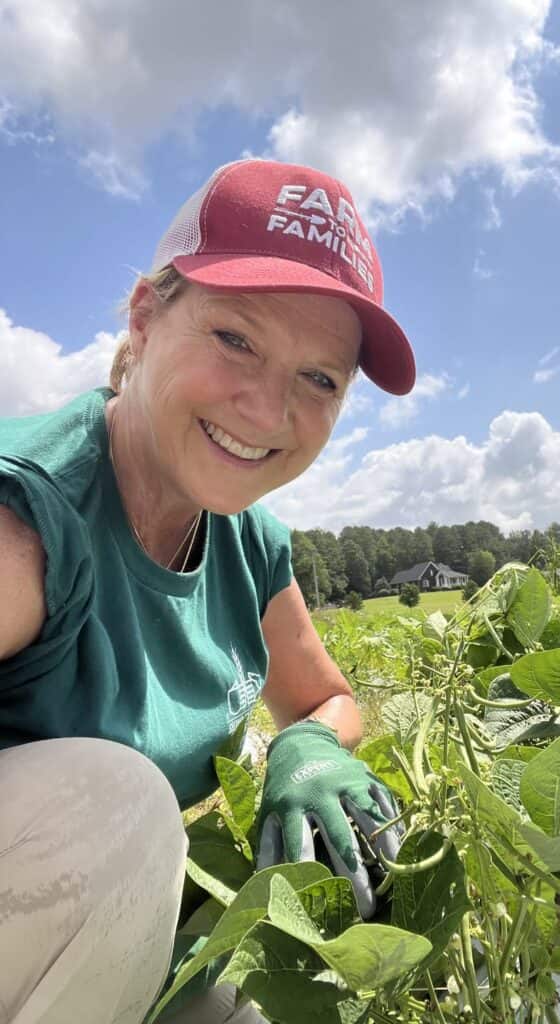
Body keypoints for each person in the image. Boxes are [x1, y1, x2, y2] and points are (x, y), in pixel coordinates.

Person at [0, 158, 416, 1024]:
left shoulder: (249, 545)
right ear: (147, 320)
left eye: (320, 379)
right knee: (117, 808)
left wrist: (309, 749)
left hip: (105, 933)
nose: (267, 411)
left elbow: (327, 698)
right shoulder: (30, 522)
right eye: (236, 338)